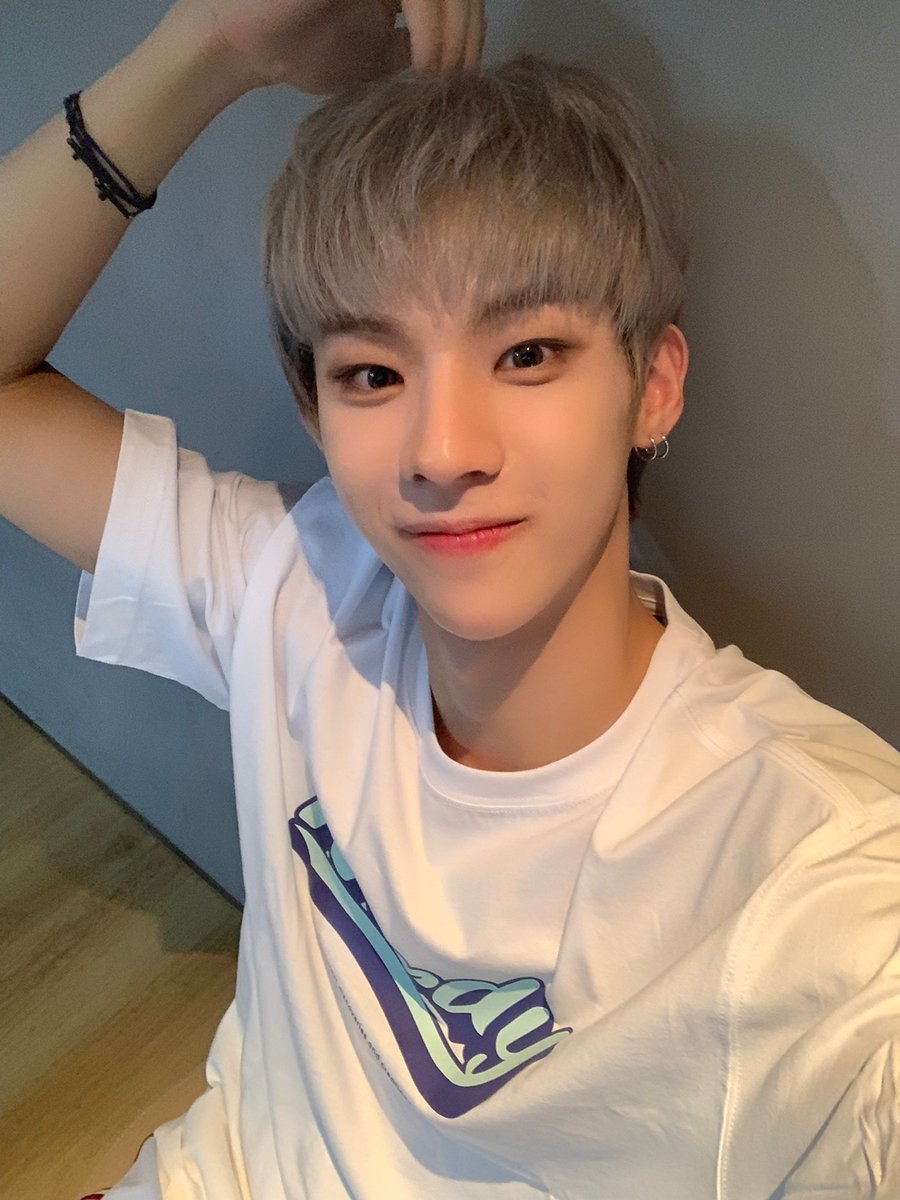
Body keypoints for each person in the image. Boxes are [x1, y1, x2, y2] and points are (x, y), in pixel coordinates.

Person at [0, 1, 898, 1197]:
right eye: (373, 372)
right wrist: (210, 45)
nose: (442, 450)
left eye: (526, 354)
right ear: (317, 412)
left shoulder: (811, 871)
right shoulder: (300, 587)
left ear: (653, 387)